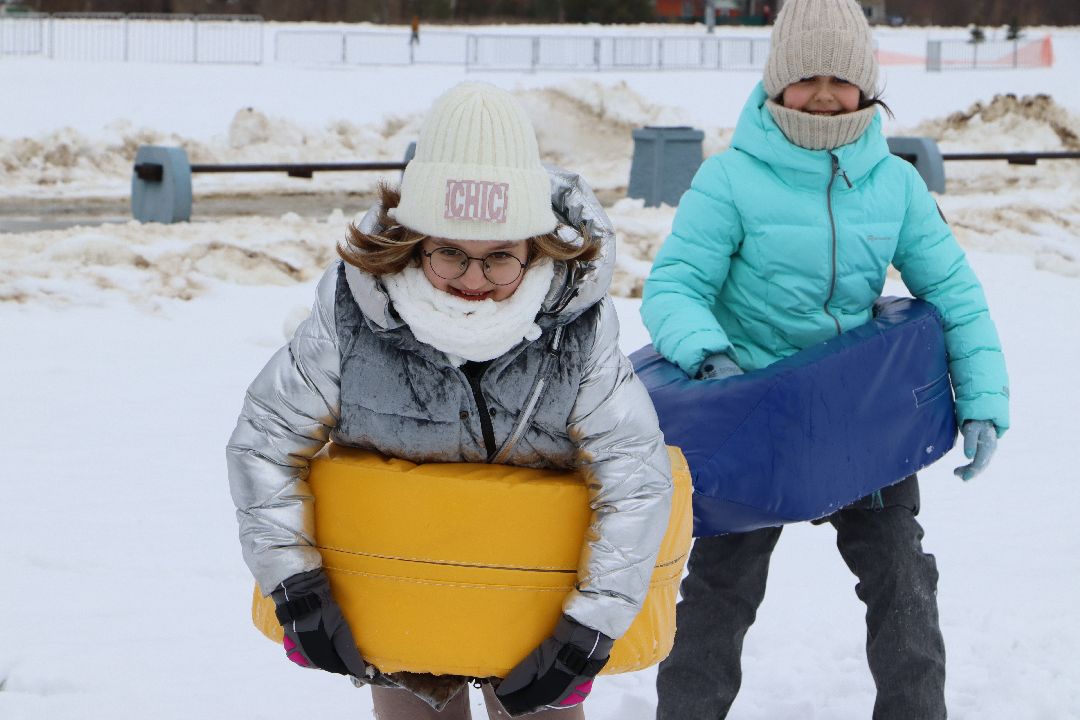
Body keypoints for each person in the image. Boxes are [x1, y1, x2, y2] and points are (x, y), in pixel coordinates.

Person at [227, 82, 673, 720]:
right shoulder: (353, 316)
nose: (472, 281)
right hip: (401, 598)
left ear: (535, 248)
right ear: (414, 240)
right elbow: (265, 440)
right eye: (449, 254)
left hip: (536, 609)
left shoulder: (575, 332)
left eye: (500, 259)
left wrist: (587, 633)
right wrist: (295, 586)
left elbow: (635, 476)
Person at [640, 0, 1009, 718]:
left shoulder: (894, 183)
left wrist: (985, 400)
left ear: (867, 86)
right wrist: (711, 357)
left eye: (840, 78)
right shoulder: (730, 180)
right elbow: (675, 287)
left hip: (858, 416)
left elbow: (956, 293)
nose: (822, 93)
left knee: (902, 579)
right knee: (722, 591)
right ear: (777, 81)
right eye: (804, 76)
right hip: (756, 417)